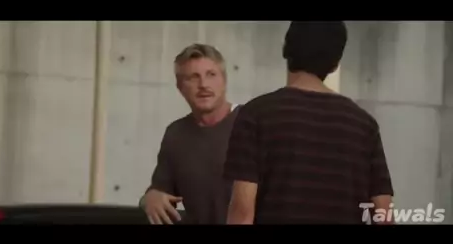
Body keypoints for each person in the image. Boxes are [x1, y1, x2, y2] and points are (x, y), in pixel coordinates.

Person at [224, 21, 394, 225]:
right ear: (335, 63)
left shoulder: (255, 115)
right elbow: (383, 214)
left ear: (286, 49)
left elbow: (242, 213)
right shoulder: (364, 125)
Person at [141, 44, 240, 224]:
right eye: (193, 77)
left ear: (224, 80)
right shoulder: (176, 134)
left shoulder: (252, 123)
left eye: (211, 74)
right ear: (180, 86)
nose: (203, 85)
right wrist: (150, 197)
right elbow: (160, 191)